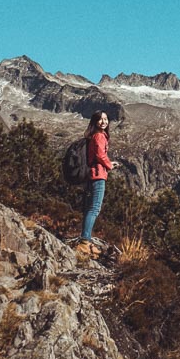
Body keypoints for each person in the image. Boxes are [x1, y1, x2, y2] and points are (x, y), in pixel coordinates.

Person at [76, 110, 116, 257]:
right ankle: (84, 242)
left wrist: (109, 163)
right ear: (95, 121)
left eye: (105, 119)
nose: (103, 122)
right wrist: (109, 166)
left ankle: (84, 239)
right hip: (98, 176)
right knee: (94, 209)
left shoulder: (94, 135)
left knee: (89, 209)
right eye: (100, 119)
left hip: (91, 174)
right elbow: (100, 155)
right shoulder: (99, 136)